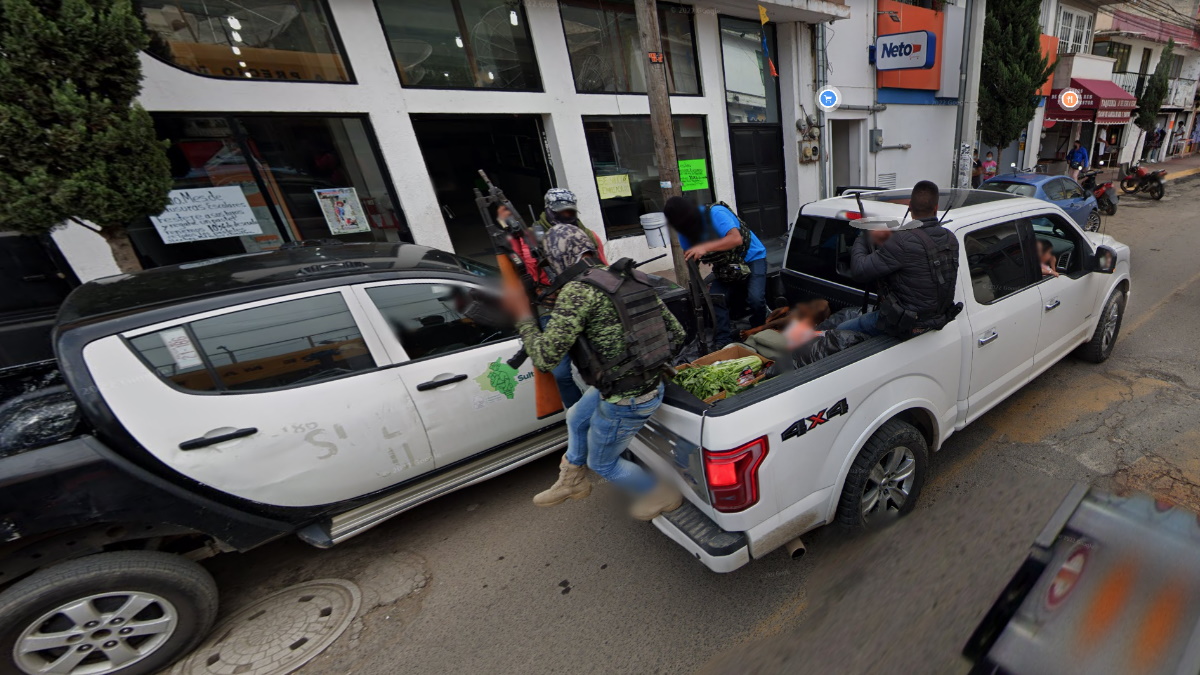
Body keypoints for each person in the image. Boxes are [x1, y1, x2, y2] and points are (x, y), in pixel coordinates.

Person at [503, 225, 687, 520]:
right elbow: (677, 334)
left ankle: (659, 493)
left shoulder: (578, 292)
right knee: (576, 416)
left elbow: (545, 358)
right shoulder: (629, 276)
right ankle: (572, 479)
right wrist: (641, 360)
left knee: (602, 463)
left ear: (559, 259)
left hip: (627, 399)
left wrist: (524, 318)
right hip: (642, 384)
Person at [496, 188, 605, 409]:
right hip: (550, 308)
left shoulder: (587, 235)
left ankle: (600, 407)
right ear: (548, 210)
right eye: (560, 212)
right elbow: (515, 267)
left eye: (569, 212)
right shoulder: (528, 238)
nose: (566, 216)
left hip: (585, 304)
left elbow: (603, 268)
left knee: (599, 365)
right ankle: (577, 410)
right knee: (560, 372)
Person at [837, 180, 962, 338]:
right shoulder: (951, 239)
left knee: (840, 329)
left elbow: (859, 270)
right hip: (938, 318)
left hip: (909, 324)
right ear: (936, 208)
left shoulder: (902, 241)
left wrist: (864, 236)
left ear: (910, 206)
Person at [663, 196, 768, 347]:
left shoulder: (715, 213)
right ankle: (723, 340)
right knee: (715, 299)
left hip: (752, 257)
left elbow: (736, 239)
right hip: (726, 265)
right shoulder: (684, 230)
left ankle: (759, 330)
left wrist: (704, 247)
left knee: (755, 299)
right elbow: (690, 257)